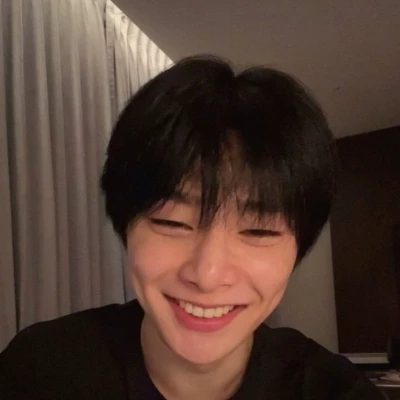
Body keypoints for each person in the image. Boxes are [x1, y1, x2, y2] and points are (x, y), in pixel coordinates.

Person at [0, 55, 384, 399]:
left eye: (258, 231)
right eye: (172, 221)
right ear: (126, 226)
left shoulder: (334, 390)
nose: (207, 275)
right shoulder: (39, 371)